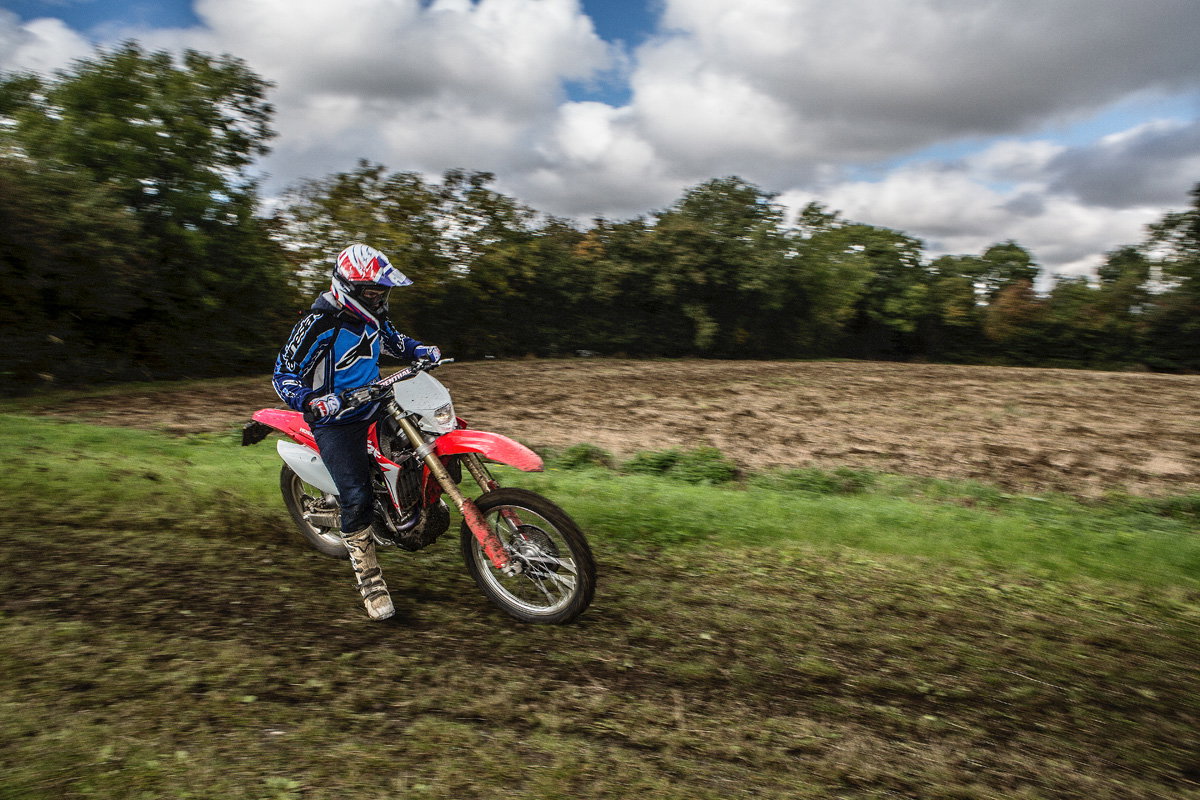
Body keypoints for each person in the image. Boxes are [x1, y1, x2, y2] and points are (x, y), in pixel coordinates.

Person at [272, 244, 441, 621]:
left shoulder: (372, 316)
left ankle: (413, 509)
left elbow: (394, 341)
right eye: (373, 291)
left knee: (426, 444)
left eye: (383, 291)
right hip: (336, 420)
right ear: (349, 288)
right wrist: (311, 401)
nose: (380, 298)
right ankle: (369, 578)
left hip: (377, 401)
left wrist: (420, 349)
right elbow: (282, 373)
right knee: (356, 495)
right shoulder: (318, 323)